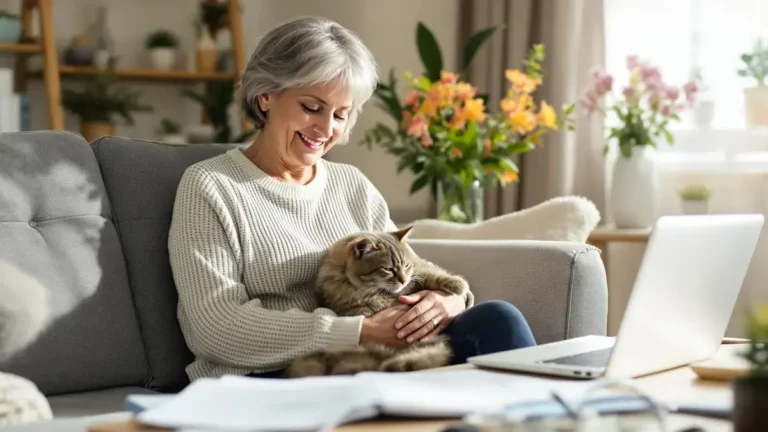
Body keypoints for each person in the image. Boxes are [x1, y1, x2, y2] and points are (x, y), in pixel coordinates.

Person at [167, 16, 536, 381]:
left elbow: (414, 271)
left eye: (340, 114)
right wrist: (360, 331)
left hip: (378, 356)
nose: (326, 129)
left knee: (498, 319)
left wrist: (449, 301)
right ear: (266, 96)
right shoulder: (211, 186)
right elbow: (214, 327)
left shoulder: (351, 184)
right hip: (276, 374)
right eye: (312, 107)